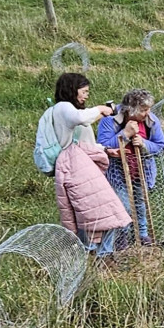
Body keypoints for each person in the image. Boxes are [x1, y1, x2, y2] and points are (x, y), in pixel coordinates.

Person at [35, 72, 129, 254]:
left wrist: (104, 150)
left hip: (79, 165)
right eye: (84, 91)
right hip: (75, 167)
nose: (86, 95)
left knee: (87, 210)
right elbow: (80, 119)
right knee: (104, 209)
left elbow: (84, 143)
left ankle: (91, 251)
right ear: (72, 90)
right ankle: (99, 252)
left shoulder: (69, 112)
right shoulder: (64, 108)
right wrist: (100, 109)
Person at [95, 89, 164, 254]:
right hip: (117, 171)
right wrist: (125, 134)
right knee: (123, 205)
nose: (147, 113)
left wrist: (143, 144)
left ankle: (142, 234)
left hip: (143, 169)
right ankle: (122, 236)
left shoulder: (151, 121)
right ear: (130, 110)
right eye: (143, 110)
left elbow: (160, 146)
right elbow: (102, 146)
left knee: (140, 202)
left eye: (148, 108)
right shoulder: (110, 121)